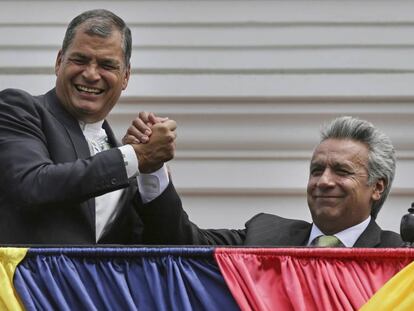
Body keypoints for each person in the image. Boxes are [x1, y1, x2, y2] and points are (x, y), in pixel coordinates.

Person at [0, 9, 176, 244]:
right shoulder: (19, 108)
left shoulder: (125, 165)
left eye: (107, 65)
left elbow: (169, 244)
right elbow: (32, 184)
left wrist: (150, 169)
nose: (91, 74)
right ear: (59, 62)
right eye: (80, 60)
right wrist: (135, 156)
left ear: (125, 77)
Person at [129, 116, 403, 247]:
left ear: (377, 187)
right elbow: (181, 243)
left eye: (342, 171)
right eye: (316, 170)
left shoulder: (400, 259)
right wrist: (151, 168)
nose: (324, 181)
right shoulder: (264, 236)